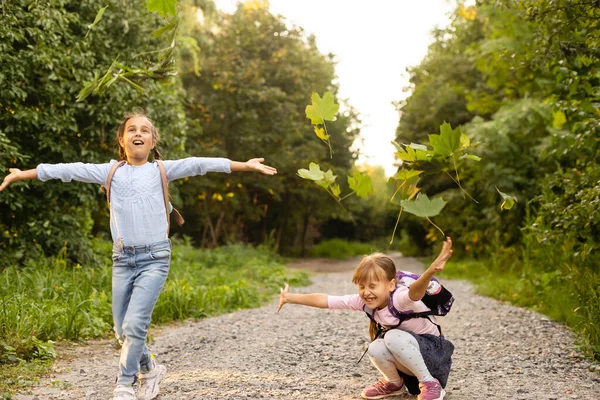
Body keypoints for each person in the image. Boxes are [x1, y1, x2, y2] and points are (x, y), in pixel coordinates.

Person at [0, 112, 277, 400]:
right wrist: (25, 173)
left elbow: (199, 164)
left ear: (152, 140)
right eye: (132, 129)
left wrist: (244, 165)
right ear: (122, 140)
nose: (138, 133)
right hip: (122, 260)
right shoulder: (110, 172)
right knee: (122, 330)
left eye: (145, 130)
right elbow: (67, 170)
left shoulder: (161, 169)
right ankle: (150, 368)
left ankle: (124, 385)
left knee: (134, 325)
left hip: (155, 259)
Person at [277, 238, 454, 400]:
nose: (366, 292)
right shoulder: (364, 302)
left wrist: (430, 271)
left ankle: (431, 384)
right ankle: (394, 384)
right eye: (362, 286)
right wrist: (289, 298)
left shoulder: (399, 298)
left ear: (391, 285)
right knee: (375, 347)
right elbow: (325, 300)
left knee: (391, 337)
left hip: (435, 358)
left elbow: (415, 292)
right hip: (413, 358)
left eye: (372, 286)